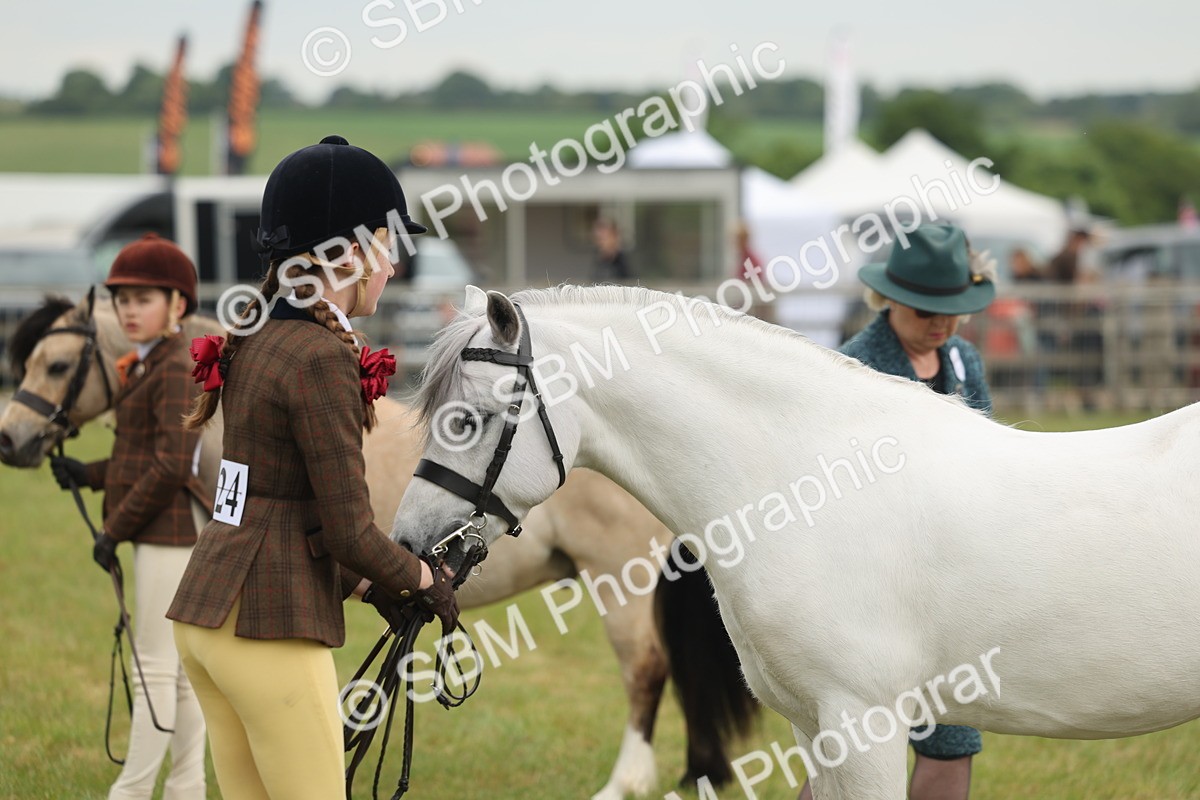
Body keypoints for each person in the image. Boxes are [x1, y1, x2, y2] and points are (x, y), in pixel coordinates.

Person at [166, 135, 459, 799]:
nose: (392, 265)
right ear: (351, 255)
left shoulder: (258, 335)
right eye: (388, 246)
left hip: (207, 616)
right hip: (268, 626)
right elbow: (350, 529)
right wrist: (422, 578)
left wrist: (364, 586)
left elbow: (273, 498)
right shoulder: (322, 357)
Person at [798, 224, 995, 800]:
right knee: (851, 752)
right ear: (889, 300)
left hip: (951, 584)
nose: (941, 323)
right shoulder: (853, 369)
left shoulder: (963, 361)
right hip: (869, 587)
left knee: (951, 738)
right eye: (925, 309)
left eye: (951, 310)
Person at [49, 233, 210, 800]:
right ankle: (186, 786)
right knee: (181, 674)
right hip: (168, 528)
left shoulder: (168, 367)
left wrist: (111, 532)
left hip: (167, 532)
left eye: (144, 298)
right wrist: (90, 474)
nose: (129, 309)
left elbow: (169, 462)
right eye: (123, 300)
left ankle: (132, 790)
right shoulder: (153, 363)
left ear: (178, 305)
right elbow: (141, 454)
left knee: (154, 669)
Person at [592, 217, 633, 283]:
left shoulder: (624, 263)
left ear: (614, 236)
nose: (600, 242)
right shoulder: (597, 261)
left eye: (603, 238)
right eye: (598, 238)